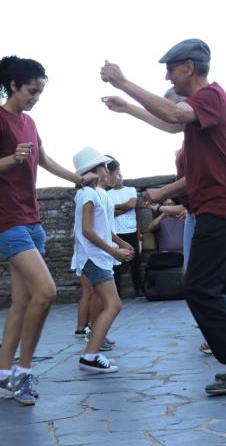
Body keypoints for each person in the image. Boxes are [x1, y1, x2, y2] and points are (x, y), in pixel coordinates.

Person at [100, 38, 226, 395]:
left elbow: (174, 115)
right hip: (224, 207)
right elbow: (171, 124)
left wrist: (123, 82)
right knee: (224, 288)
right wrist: (129, 108)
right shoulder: (203, 110)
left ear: (189, 67)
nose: (168, 77)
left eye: (171, 69)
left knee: (198, 288)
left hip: (219, 208)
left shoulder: (211, 96)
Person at [0, 56, 97, 405]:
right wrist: (12, 159)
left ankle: (2, 375)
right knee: (46, 292)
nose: (35, 98)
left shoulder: (29, 122)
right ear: (13, 85)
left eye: (40, 92)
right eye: (31, 91)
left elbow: (44, 159)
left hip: (32, 221)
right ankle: (23, 373)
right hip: (7, 221)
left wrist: (79, 179)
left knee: (23, 302)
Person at [71, 147, 134, 373]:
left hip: (99, 256)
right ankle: (90, 355)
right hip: (93, 257)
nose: (108, 171)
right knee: (113, 304)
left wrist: (121, 243)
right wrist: (114, 251)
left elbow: (104, 228)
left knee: (107, 304)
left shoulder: (98, 194)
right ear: (93, 170)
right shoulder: (87, 194)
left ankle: (92, 351)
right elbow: (87, 230)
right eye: (104, 167)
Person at [106, 157, 144, 297]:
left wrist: (113, 207)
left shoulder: (131, 190)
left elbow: (131, 205)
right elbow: (108, 212)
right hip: (115, 232)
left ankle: (138, 289)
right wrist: (122, 208)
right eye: (116, 174)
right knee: (115, 263)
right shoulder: (107, 194)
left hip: (131, 230)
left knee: (135, 262)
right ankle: (117, 292)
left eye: (120, 175)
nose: (118, 178)